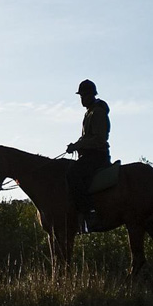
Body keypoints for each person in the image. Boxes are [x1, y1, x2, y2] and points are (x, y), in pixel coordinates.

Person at [65, 79, 110, 228]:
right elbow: (86, 138)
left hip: (97, 156)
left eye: (84, 95)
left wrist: (78, 145)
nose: (82, 99)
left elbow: (99, 138)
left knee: (73, 173)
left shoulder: (98, 112)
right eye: (81, 96)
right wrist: (75, 145)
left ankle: (89, 212)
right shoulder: (89, 112)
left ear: (91, 95)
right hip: (90, 155)